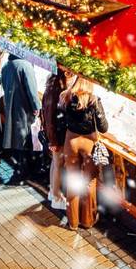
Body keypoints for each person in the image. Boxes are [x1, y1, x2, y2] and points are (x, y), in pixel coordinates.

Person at [56, 75, 108, 230]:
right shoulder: (94, 100)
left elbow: (61, 121)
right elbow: (104, 127)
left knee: (72, 179)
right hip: (89, 143)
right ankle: (87, 220)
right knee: (89, 181)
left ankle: (73, 222)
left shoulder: (65, 96)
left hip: (70, 141)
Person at [0, 53, 40, 185]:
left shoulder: (6, 66)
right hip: (24, 109)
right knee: (25, 139)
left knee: (15, 137)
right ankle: (24, 170)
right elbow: (32, 91)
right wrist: (36, 107)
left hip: (11, 106)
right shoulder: (26, 66)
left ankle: (19, 166)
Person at [40, 69, 68, 211]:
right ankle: (57, 197)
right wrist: (53, 141)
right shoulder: (55, 88)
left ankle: (53, 192)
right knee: (58, 164)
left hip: (55, 133)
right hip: (57, 134)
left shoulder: (52, 85)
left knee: (55, 162)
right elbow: (50, 117)